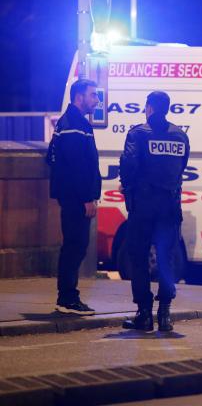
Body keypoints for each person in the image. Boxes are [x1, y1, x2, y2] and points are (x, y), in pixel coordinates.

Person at [119, 91, 190, 332]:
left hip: (144, 206)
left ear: (149, 108)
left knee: (138, 256)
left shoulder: (138, 133)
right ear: (167, 109)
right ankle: (165, 315)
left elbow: (128, 164)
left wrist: (128, 188)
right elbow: (181, 169)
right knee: (166, 258)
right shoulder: (180, 136)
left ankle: (144, 314)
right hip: (170, 207)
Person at [46, 79, 101, 315]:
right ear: (79, 97)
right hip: (76, 197)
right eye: (93, 95)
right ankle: (67, 298)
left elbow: (51, 157)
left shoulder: (70, 122)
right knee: (75, 246)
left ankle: (67, 296)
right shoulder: (74, 125)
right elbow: (78, 166)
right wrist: (87, 198)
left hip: (72, 195)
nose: (96, 100)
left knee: (75, 245)